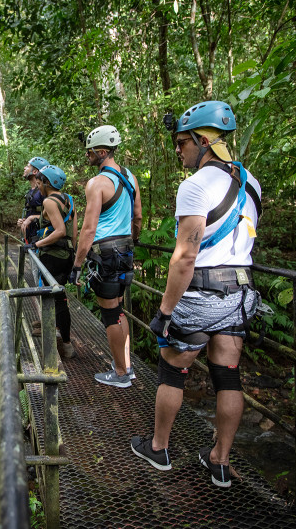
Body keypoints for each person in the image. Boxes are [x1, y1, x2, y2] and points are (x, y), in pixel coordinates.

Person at [131, 101, 261, 488]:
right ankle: (219, 461)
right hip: (240, 292)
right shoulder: (250, 181)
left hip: (202, 292)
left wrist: (164, 311)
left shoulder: (195, 185)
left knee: (173, 365)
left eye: (183, 142)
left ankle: (158, 448)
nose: (178, 150)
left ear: (204, 141)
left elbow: (185, 256)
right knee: (228, 375)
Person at [71, 125, 142, 388]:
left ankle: (121, 374)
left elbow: (89, 229)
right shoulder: (130, 177)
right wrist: (133, 241)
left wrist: (77, 265)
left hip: (106, 254)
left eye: (90, 152)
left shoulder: (98, 183)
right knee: (119, 311)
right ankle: (126, 367)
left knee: (111, 315)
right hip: (125, 250)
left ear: (102, 152)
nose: (87, 156)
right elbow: (138, 217)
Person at [23, 164, 77, 359]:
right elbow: (73, 233)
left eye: (40, 182)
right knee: (61, 299)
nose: (37, 185)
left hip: (52, 257)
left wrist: (37, 244)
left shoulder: (49, 202)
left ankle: (53, 348)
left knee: (50, 298)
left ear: (47, 183)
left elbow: (60, 230)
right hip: (68, 256)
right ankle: (67, 344)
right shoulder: (69, 200)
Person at [17, 157, 50, 243]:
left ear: (35, 171)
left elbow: (51, 216)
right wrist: (24, 221)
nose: (24, 168)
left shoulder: (43, 191)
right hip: (31, 239)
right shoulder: (31, 192)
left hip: (42, 240)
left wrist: (31, 218)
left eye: (28, 166)